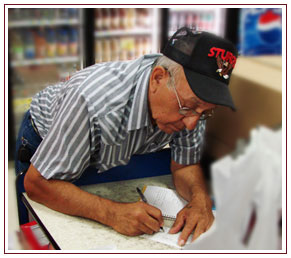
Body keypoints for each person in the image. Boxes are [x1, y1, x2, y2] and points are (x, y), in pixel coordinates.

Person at [16, 27, 238, 246]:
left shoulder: (192, 104)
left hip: (101, 149)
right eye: (187, 107)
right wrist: (112, 213)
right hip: (48, 141)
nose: (192, 123)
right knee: (45, 237)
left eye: (205, 111)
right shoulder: (93, 101)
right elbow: (38, 184)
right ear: (158, 78)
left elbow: (185, 165)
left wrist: (200, 200)